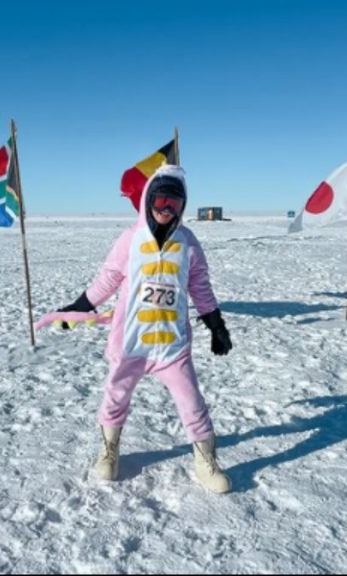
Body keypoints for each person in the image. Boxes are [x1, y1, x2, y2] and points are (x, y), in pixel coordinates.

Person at [58, 164, 234, 493]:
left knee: (192, 402)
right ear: (148, 200)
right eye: (161, 200)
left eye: (175, 203)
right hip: (131, 341)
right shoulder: (130, 239)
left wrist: (216, 326)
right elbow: (108, 279)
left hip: (172, 345)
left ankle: (205, 462)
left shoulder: (189, 242)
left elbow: (201, 287)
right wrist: (79, 308)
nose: (167, 209)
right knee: (115, 396)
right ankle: (109, 451)